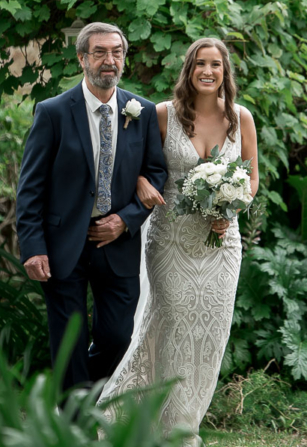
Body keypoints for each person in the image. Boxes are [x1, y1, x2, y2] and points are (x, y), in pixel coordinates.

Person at [98, 38, 260, 446]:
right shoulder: (163, 116)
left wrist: (232, 208)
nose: (208, 71)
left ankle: (181, 431)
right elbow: (133, 165)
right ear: (188, 70)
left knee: (209, 337)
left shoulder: (241, 119)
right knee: (167, 329)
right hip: (170, 241)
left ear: (225, 73)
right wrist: (139, 183)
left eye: (216, 65)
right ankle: (123, 420)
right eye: (200, 64)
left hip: (222, 247)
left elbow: (252, 179)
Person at [15, 22, 168, 393]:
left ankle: (84, 401)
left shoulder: (142, 112)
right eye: (100, 52)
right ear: (82, 58)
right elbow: (30, 186)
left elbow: (157, 173)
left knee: (117, 336)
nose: (109, 60)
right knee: (68, 341)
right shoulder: (52, 112)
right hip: (62, 242)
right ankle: (73, 427)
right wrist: (33, 247)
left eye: (116, 52)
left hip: (117, 243)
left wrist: (127, 220)